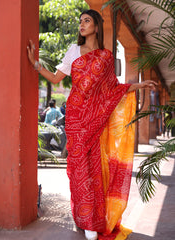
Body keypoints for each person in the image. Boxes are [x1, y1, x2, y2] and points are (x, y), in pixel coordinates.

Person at [27, 9, 157, 240]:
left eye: (87, 21)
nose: (82, 24)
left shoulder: (106, 57)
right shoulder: (73, 51)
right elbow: (57, 79)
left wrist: (139, 85)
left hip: (94, 119)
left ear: (96, 26)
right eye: (80, 21)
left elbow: (112, 89)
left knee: (93, 167)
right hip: (76, 117)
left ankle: (92, 220)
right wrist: (36, 65)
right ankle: (83, 217)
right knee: (78, 168)